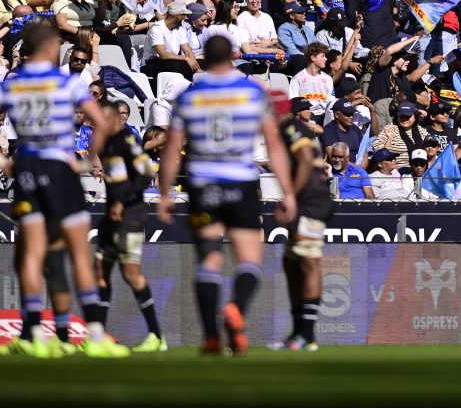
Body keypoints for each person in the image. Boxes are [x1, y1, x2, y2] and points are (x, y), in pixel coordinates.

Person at [0, 22, 128, 358]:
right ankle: (95, 335)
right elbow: (101, 120)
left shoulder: (10, 85)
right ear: (50, 49)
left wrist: (1, 160)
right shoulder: (65, 82)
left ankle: (34, 332)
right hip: (58, 166)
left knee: (32, 253)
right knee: (79, 251)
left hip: (26, 166)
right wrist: (89, 156)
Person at [158, 35, 295, 355]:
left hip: (204, 184)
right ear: (234, 56)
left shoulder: (190, 97)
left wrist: (164, 191)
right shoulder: (251, 92)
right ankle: (235, 309)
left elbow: (171, 149)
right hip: (242, 182)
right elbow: (273, 145)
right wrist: (287, 191)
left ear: (205, 60)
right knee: (249, 260)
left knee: (209, 259)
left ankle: (210, 337)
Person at [90, 101, 167, 353]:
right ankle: (97, 336)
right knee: (100, 270)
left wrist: (121, 203)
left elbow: (145, 174)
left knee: (131, 273)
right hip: (112, 215)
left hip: (130, 214)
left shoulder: (126, 140)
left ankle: (156, 336)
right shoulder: (106, 142)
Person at [269, 90, 334, 351]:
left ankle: (307, 336)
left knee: (308, 261)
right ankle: (298, 334)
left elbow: (306, 162)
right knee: (292, 264)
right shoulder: (283, 131)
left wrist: (289, 197)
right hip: (306, 200)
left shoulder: (292, 128)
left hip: (312, 201)